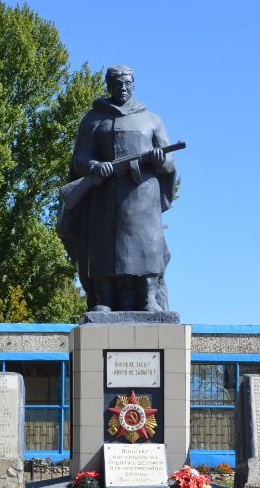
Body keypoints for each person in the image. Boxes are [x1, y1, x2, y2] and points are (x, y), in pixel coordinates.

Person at [57, 65, 177, 312]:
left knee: (148, 243)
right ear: (108, 85)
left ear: (134, 85)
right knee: (104, 244)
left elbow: (169, 162)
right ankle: (104, 298)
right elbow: (79, 157)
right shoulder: (94, 119)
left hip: (143, 193)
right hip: (104, 194)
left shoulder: (152, 120)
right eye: (117, 83)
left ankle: (149, 298)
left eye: (127, 83)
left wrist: (159, 158)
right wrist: (95, 166)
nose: (123, 88)